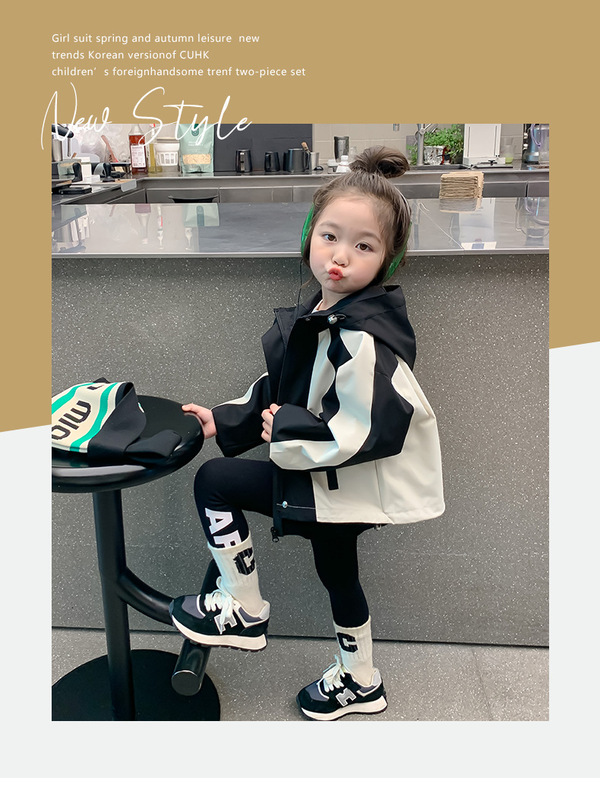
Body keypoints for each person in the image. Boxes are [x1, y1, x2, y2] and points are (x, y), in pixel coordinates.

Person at [169, 146, 445, 721]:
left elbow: (368, 426)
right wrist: (227, 418)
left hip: (339, 477)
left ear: (389, 260)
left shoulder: (360, 336)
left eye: (364, 246)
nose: (340, 256)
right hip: (334, 479)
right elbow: (284, 385)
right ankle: (360, 678)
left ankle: (244, 607)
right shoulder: (328, 311)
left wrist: (288, 432)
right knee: (337, 573)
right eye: (330, 237)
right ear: (309, 236)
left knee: (216, 483)